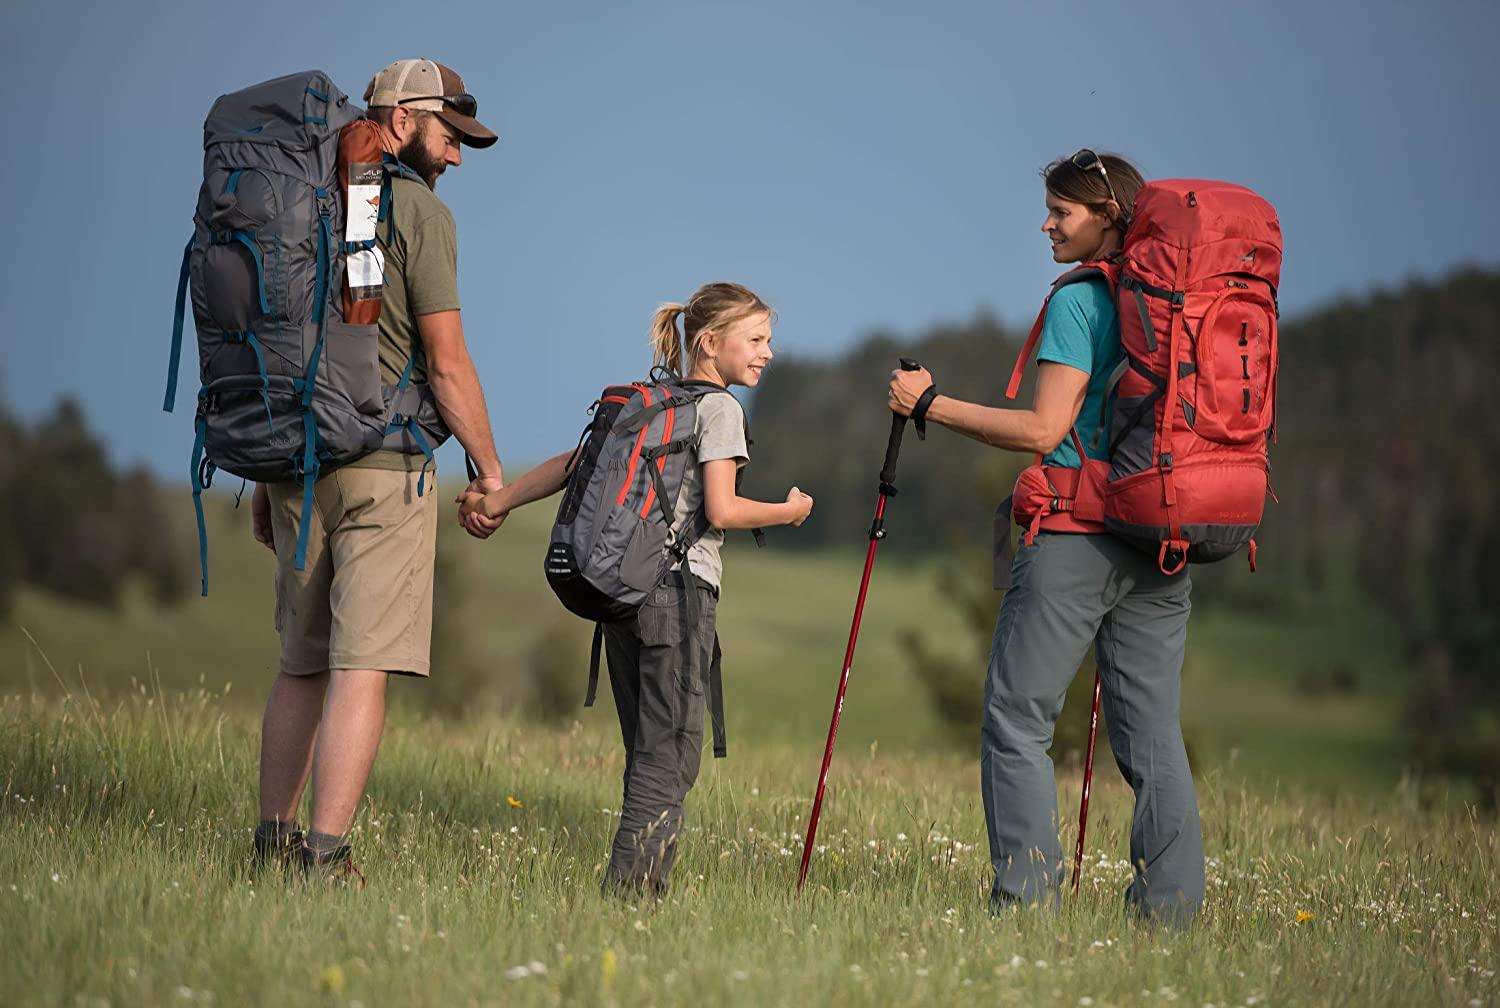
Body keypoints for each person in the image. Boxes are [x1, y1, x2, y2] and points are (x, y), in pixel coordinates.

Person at [887, 151, 1205, 926]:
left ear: (1106, 214)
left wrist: (929, 403)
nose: (1047, 224)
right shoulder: (1181, 300)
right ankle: (1168, 919)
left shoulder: (1083, 302)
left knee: (1017, 717)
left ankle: (1025, 906)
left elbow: (1043, 427)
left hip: (1077, 536)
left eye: (1062, 211)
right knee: (1153, 734)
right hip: (1164, 536)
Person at [460, 282, 814, 897]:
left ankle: (635, 893)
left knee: (647, 750)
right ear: (709, 343)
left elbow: (575, 463)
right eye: (756, 340)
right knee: (668, 756)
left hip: (625, 594)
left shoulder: (648, 401)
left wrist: (499, 501)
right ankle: (630, 902)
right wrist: (789, 511)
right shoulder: (720, 410)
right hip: (678, 599)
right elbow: (723, 510)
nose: (767, 354)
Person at [248, 59, 506, 876]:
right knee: (362, 665)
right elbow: (448, 358)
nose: (457, 156)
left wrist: (265, 472)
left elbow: (294, 347)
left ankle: (270, 847)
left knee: (300, 664)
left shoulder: (302, 202)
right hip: (382, 468)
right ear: (402, 121)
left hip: (295, 459)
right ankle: (324, 860)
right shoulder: (418, 213)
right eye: (449, 135)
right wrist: (490, 467)